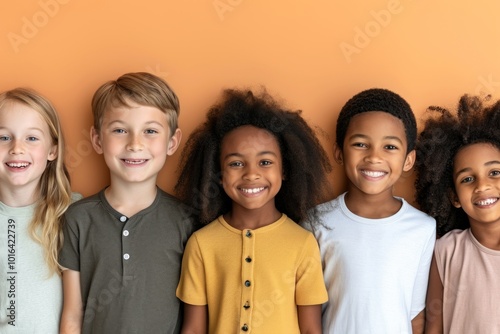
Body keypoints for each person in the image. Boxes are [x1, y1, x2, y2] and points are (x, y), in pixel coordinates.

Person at [175, 88, 332, 333]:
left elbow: (311, 329)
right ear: (217, 174)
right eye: (236, 163)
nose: (251, 174)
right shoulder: (201, 245)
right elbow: (193, 328)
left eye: (265, 162)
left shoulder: (302, 244)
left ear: (284, 170)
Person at [59, 72, 194, 334]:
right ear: (98, 140)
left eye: (150, 131)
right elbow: (72, 314)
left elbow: (194, 318)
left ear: (172, 142)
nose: (135, 144)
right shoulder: (77, 219)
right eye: (120, 130)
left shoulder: (186, 221)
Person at [310, 88, 436, 334]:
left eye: (389, 147)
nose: (374, 157)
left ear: (408, 160)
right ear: (339, 152)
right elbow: (307, 312)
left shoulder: (423, 228)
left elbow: (415, 315)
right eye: (360, 144)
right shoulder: (316, 222)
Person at [415, 95, 500, 333]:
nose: (482, 186)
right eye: (468, 179)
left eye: (494, 172)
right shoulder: (446, 251)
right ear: (454, 197)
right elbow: (434, 325)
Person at [0, 87, 82, 333]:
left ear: (52, 150)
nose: (17, 148)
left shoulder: (74, 212)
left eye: (31, 138)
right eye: (4, 137)